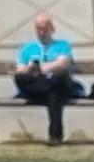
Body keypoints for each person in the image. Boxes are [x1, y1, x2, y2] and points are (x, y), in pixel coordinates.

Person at [13, 12, 88, 141]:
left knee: (57, 83)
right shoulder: (27, 48)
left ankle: (55, 135)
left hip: (57, 84)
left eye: (45, 29)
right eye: (39, 29)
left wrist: (39, 68)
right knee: (21, 78)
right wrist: (30, 68)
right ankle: (55, 134)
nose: (42, 32)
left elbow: (63, 64)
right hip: (38, 87)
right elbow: (20, 70)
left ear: (52, 29)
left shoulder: (63, 45)